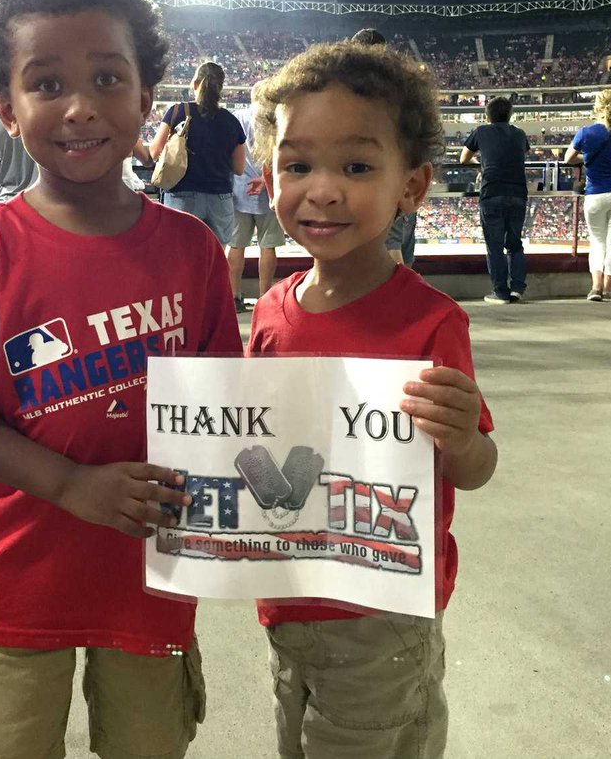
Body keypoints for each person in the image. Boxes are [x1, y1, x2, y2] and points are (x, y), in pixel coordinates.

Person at [0, 0, 241, 759]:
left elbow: (227, 398)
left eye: (107, 78)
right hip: (15, 578)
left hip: (152, 577)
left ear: (146, 98)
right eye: (47, 84)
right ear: (6, 110)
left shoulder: (192, 249)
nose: (81, 107)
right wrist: (69, 484)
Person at [247, 41, 497, 759]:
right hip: (288, 598)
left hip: (383, 612)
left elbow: (475, 467)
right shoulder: (269, 309)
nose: (322, 190)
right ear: (269, 181)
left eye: (356, 167)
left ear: (412, 187)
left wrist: (461, 437)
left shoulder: (430, 322)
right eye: (297, 165)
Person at [141, 61, 247, 244]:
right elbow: (238, 168)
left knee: (179, 255)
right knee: (215, 258)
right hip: (220, 198)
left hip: (182, 195)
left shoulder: (177, 111)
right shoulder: (232, 121)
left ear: (195, 84)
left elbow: (155, 151)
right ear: (220, 88)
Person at [351, 29, 420, 271]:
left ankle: (394, 300)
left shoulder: (348, 85)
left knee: (385, 243)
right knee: (402, 241)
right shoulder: (406, 84)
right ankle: (408, 299)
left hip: (366, 175)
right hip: (404, 172)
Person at [564, 90, 611, 301]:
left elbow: (569, 158)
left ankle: (595, 288)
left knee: (597, 242)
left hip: (596, 194)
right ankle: (608, 290)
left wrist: (587, 155)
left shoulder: (585, 133)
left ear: (595, 108)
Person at [461, 96, 530, 303]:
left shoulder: (482, 131)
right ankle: (517, 288)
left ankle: (500, 292)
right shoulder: (519, 133)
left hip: (492, 191)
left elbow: (464, 158)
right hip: (518, 192)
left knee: (494, 246)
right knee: (515, 244)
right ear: (510, 115)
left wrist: (481, 166)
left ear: (487, 115)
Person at [229, 82, 285, 314]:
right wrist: (266, 182)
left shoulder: (237, 117)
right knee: (268, 245)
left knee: (236, 245)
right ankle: (264, 298)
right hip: (267, 189)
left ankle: (234, 296)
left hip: (239, 188)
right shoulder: (274, 120)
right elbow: (276, 155)